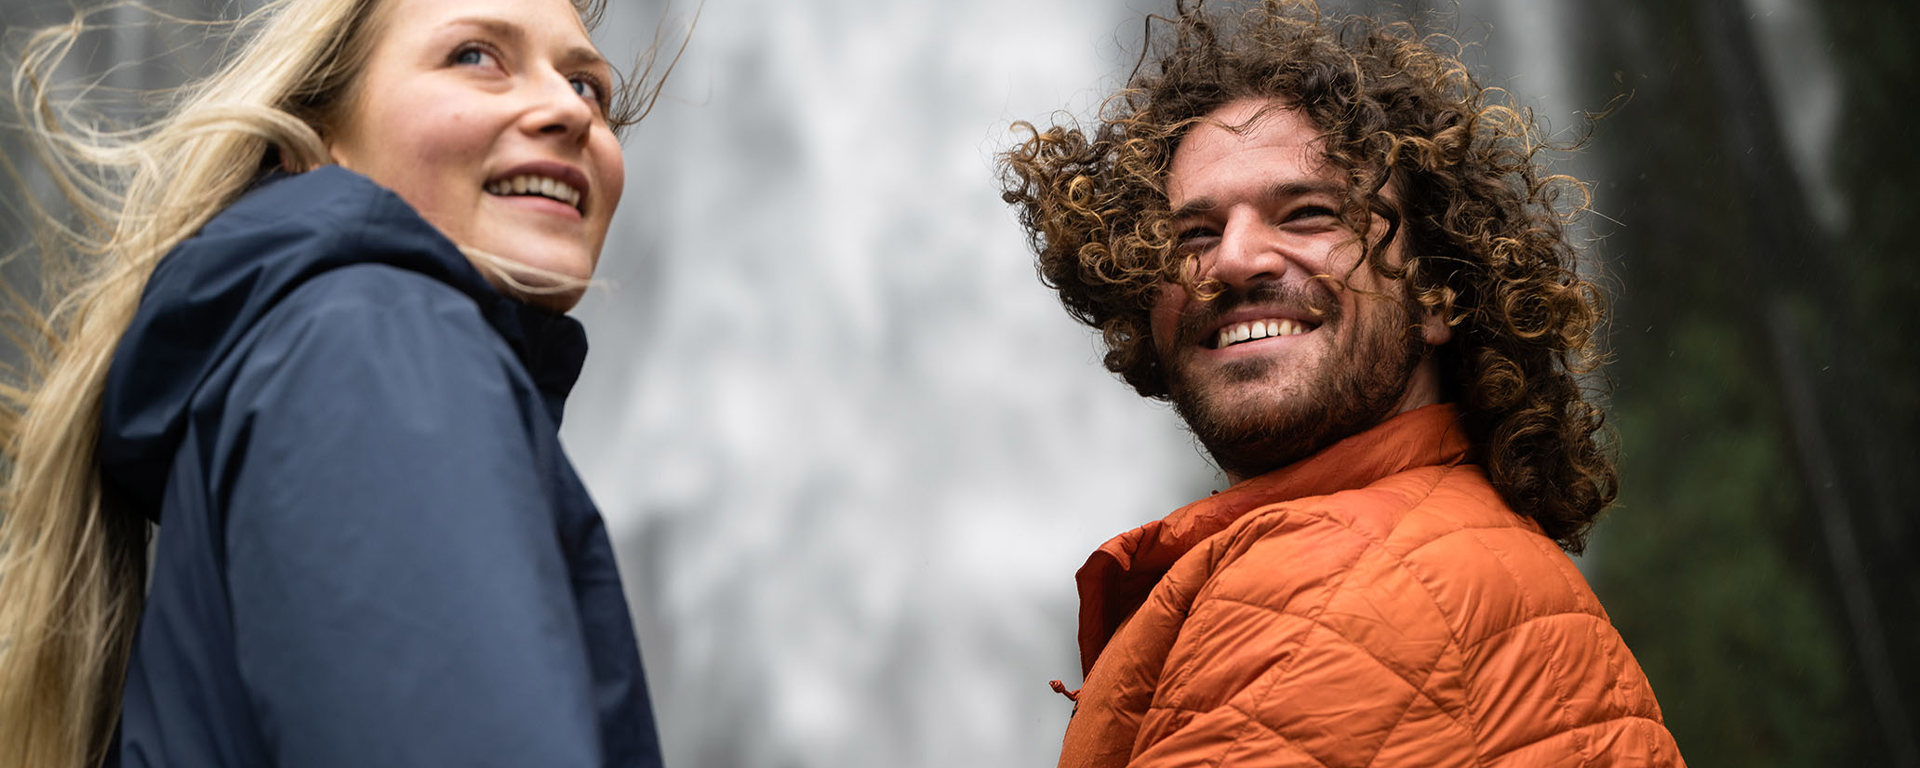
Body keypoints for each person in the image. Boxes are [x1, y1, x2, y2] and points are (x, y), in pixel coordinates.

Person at [1000, 3, 1684, 766]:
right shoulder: (1455, 545)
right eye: (1194, 233)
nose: (1233, 259)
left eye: (1306, 215)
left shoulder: (1326, 590)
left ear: (1437, 294)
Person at [0, 0, 674, 766]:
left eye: (589, 87)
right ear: (317, 144)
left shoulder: (317, 354)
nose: (567, 109)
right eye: (477, 58)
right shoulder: (377, 341)